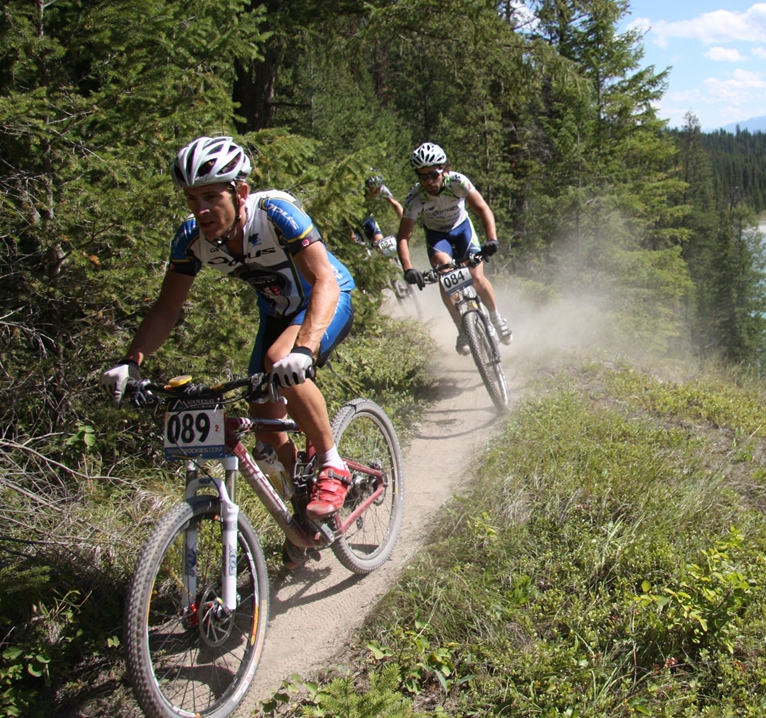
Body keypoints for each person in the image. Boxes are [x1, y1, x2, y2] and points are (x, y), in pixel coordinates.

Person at [99, 135, 356, 569]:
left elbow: (325, 281)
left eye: (211, 196)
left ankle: (333, 466)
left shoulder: (275, 213)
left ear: (239, 192)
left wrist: (307, 348)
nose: (200, 209)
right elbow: (167, 307)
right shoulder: (191, 239)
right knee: (267, 432)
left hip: (326, 297)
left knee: (280, 360)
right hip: (277, 312)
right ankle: (305, 506)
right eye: (191, 198)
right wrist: (132, 361)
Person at [396, 142, 511, 354]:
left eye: (433, 174)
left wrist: (491, 238)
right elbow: (403, 236)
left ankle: (496, 318)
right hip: (438, 236)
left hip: (462, 230)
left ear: (444, 169)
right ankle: (462, 329)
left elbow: (483, 209)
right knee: (444, 273)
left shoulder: (457, 182)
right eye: (423, 176)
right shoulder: (416, 197)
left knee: (476, 278)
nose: (429, 181)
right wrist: (408, 268)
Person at [360, 175, 404, 247]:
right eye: (374, 189)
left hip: (367, 218)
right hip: (351, 220)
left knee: (383, 247)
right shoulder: (359, 192)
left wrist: (404, 225)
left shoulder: (383, 189)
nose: (377, 191)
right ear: (367, 187)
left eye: (379, 188)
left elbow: (396, 205)